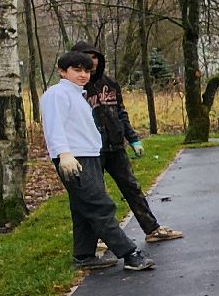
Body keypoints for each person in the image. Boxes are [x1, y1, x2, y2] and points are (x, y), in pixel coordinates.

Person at [40, 51, 154, 272]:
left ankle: (83, 256)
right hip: (73, 159)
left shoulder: (77, 94)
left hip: (88, 155)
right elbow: (55, 127)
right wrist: (64, 155)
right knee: (99, 205)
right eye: (76, 70)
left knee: (83, 207)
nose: (83, 74)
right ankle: (130, 254)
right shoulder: (57, 94)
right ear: (62, 72)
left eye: (86, 70)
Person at [70, 42, 182, 246]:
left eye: (95, 57)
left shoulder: (110, 84)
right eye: (87, 57)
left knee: (132, 187)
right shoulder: (75, 89)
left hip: (115, 146)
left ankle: (152, 229)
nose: (92, 61)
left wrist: (132, 138)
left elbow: (120, 113)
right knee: (96, 195)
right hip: (90, 149)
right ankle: (98, 239)